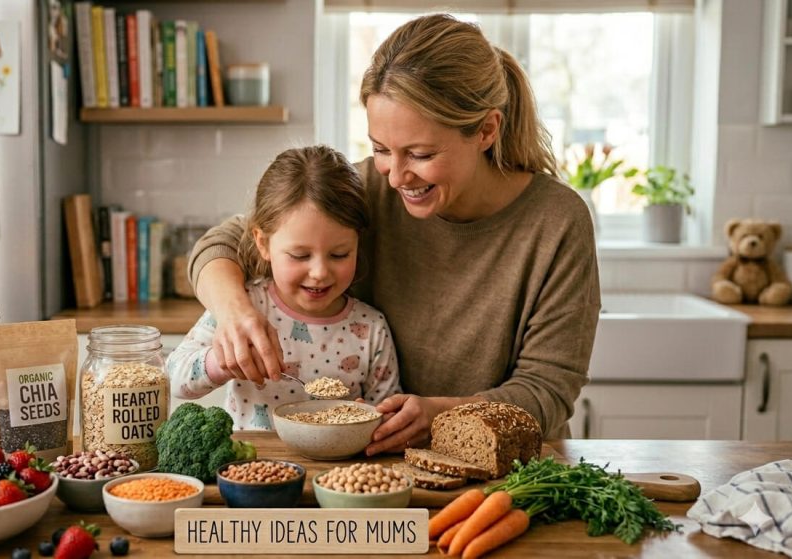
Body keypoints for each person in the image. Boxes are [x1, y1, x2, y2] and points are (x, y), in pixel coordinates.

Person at [187, 14, 600, 451]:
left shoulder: (556, 221)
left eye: (420, 154)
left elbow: (549, 390)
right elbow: (223, 243)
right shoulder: (370, 188)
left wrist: (442, 416)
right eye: (381, 149)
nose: (398, 176)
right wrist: (236, 313)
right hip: (381, 463)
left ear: (486, 130)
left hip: (502, 469)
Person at [167, 146, 402, 430]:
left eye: (339, 254)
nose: (319, 273)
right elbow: (174, 380)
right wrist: (222, 361)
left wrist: (373, 420)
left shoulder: (370, 329)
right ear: (263, 243)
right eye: (300, 255)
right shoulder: (246, 306)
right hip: (251, 468)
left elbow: (389, 411)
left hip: (334, 473)